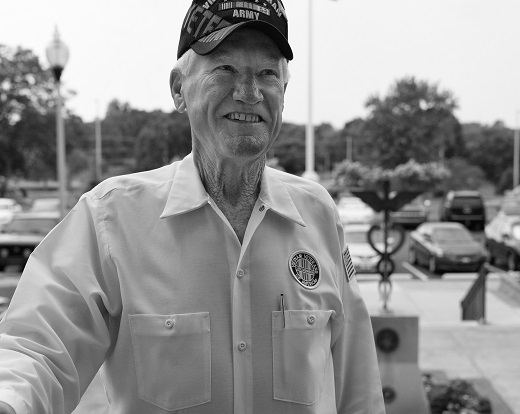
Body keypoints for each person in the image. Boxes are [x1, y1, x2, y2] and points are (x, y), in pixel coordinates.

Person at [0, 1, 386, 413]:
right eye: (225, 69)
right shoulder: (111, 219)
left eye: (267, 74)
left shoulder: (318, 215)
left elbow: (358, 389)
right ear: (178, 89)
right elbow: (37, 350)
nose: (249, 92)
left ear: (284, 92)